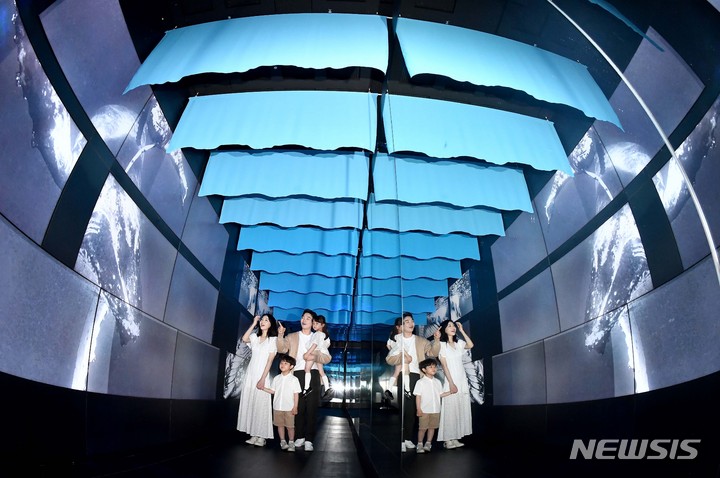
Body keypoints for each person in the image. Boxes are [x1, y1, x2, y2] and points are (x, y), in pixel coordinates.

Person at [386, 312, 441, 453]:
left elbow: (433, 353)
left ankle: (408, 438)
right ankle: (401, 439)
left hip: (417, 376)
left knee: (413, 410)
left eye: (412, 321)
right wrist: (404, 358)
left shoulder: (421, 340)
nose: (411, 323)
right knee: (404, 408)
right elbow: (389, 359)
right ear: (401, 326)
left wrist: (436, 340)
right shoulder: (397, 341)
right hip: (403, 376)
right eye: (407, 321)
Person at [277, 309, 320, 452]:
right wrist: (281, 334)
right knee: (298, 407)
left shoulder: (318, 336)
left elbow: (326, 357)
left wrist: (315, 357)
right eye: (303, 317)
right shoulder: (292, 336)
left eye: (308, 318)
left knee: (311, 408)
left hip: (313, 373)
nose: (304, 320)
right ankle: (300, 436)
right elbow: (282, 349)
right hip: (296, 374)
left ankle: (309, 439)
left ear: (313, 322)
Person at [237, 314, 278, 447]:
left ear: (271, 324)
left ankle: (262, 436)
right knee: (251, 403)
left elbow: (270, 361)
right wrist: (254, 323)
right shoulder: (254, 337)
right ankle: (253, 434)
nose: (263, 322)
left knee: (261, 405)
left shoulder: (273, 340)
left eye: (266, 320)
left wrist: (263, 379)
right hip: (250, 374)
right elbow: (244, 339)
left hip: (262, 375)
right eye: (262, 320)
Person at [436, 319, 475, 449]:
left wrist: (462, 331)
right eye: (449, 326)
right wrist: (451, 383)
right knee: (450, 410)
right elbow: (444, 366)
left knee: (459, 408)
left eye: (453, 326)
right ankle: (447, 440)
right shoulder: (442, 345)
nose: (453, 328)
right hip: (450, 381)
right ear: (444, 329)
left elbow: (471, 345)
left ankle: (455, 437)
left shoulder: (459, 344)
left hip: (462, 380)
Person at [414, 358, 454, 453]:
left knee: (432, 428)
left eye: (435, 367)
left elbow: (440, 394)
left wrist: (450, 392)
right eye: (430, 367)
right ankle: (420, 444)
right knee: (422, 428)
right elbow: (418, 396)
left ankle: (428, 443)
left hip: (436, 410)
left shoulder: (438, 382)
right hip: (424, 410)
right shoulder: (420, 382)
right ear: (424, 369)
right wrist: (418, 409)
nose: (434, 369)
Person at [262, 354, 302, 452]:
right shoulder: (276, 378)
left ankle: (291, 442)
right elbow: (273, 391)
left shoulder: (294, 379)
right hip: (277, 407)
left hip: (289, 408)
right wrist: (263, 388)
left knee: (290, 426)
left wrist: (295, 407)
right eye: (281, 363)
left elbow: (296, 394)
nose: (282, 365)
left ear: (291, 366)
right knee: (280, 425)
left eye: (285, 363)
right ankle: (283, 441)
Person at [300, 314, 334, 400]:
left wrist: (307, 353)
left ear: (322, 325)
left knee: (307, 368)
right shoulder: (324, 335)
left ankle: (306, 388)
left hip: (318, 353)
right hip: (323, 355)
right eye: (314, 323)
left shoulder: (318, 334)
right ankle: (327, 388)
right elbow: (327, 345)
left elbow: (314, 345)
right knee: (321, 372)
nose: (314, 325)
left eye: (317, 323)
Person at [384, 317, 404, 400]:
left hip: (395, 355)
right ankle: (390, 389)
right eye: (402, 325)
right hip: (400, 355)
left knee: (397, 373)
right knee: (399, 372)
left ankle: (389, 389)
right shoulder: (401, 336)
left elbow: (388, 345)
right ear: (397, 327)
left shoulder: (392, 334)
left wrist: (392, 352)